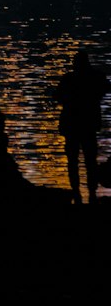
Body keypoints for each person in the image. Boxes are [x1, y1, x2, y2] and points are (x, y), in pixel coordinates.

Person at [54, 49, 110, 204]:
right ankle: (91, 193)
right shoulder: (95, 78)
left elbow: (57, 96)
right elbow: (105, 88)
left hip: (72, 126)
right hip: (88, 126)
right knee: (89, 160)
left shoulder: (69, 79)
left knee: (74, 161)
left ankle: (77, 193)